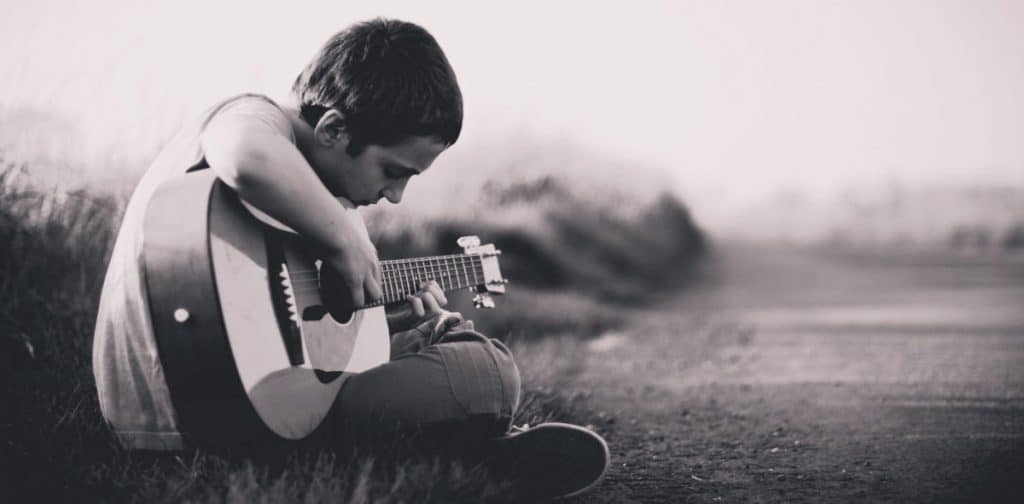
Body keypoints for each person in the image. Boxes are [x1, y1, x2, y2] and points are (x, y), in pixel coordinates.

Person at [92, 18, 606, 499]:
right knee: (491, 372)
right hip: (204, 414)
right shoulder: (252, 118)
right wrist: (344, 238)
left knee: (430, 330)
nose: (396, 195)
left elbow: (276, 324)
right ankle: (457, 443)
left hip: (226, 400)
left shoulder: (298, 186)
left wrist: (381, 320)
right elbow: (245, 155)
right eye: (393, 170)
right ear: (334, 129)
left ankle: (448, 446)